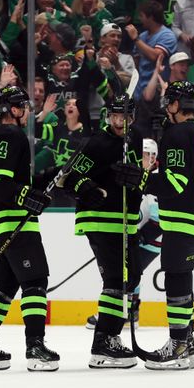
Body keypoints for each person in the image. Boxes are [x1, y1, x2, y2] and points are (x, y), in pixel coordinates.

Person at [116, 81, 194, 370]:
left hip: (183, 216)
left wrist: (141, 178)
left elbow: (175, 184)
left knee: (175, 276)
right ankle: (187, 340)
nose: (166, 107)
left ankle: (178, 345)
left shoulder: (176, 134)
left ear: (176, 105)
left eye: (169, 102)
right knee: (181, 276)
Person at [0, 85, 58, 371]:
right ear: (15, 110)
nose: (29, 112)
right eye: (25, 107)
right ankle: (35, 347)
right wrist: (25, 197)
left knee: (6, 285)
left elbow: (6, 180)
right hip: (8, 220)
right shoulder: (11, 134)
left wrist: (41, 184)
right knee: (35, 280)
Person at [59, 95, 143, 368]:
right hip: (99, 219)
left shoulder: (136, 140)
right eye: (116, 116)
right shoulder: (97, 142)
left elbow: (138, 179)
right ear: (109, 116)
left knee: (132, 278)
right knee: (117, 279)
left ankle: (110, 337)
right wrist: (89, 188)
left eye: (126, 117)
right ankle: (103, 342)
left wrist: (138, 181)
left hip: (125, 220)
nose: (120, 122)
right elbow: (68, 177)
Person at [85, 137, 161, 330]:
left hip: (151, 240)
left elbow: (158, 221)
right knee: (128, 271)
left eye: (146, 154)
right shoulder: (136, 175)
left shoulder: (156, 179)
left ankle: (125, 312)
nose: (142, 157)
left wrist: (141, 236)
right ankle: (129, 312)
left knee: (127, 272)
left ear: (153, 157)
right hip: (135, 235)